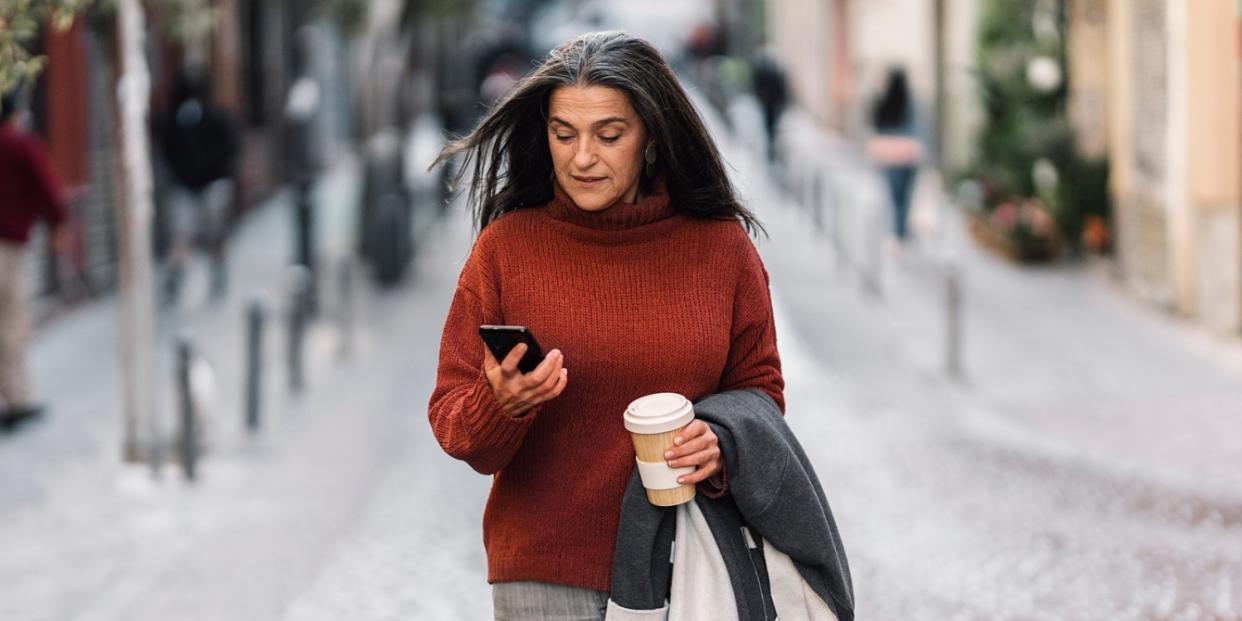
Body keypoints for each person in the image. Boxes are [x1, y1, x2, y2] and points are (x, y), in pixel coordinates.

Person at [427, 32, 784, 620]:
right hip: (544, 574)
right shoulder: (506, 250)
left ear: (649, 135)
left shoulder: (721, 251)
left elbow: (762, 394)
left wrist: (721, 444)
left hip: (689, 568)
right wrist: (502, 403)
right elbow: (455, 426)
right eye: (563, 134)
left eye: (608, 135)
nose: (581, 157)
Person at [0, 87, 71, 430]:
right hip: (8, 249)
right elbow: (51, 192)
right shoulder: (22, 145)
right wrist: (59, 226)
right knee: (11, 326)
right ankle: (16, 401)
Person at [159, 65, 239, 303]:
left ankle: (216, 273)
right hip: (187, 185)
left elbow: (230, 146)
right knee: (183, 233)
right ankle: (176, 276)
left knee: (213, 234)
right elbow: (167, 147)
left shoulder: (215, 115)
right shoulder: (175, 117)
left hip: (211, 183)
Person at [866, 68, 925, 242]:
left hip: (890, 157)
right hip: (908, 156)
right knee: (905, 197)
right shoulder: (910, 101)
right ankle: (900, 230)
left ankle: (897, 230)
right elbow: (918, 128)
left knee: (894, 196)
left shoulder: (886, 101)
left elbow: (876, 125)